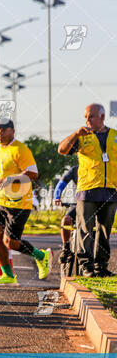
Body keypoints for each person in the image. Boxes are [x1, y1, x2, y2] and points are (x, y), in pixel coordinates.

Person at [0, 119, 52, 285]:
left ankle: (41, 256)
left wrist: (10, 178)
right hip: (0, 201)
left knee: (10, 242)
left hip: (19, 203)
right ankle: (8, 275)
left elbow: (34, 173)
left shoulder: (21, 149)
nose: (0, 133)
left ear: (12, 131)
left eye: (3, 130)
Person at [58, 103, 117, 277]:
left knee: (105, 231)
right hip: (88, 190)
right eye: (85, 117)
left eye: (90, 116)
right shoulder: (82, 137)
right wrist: (76, 133)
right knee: (86, 230)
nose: (87, 120)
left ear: (102, 117)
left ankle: (101, 267)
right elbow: (61, 149)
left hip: (110, 191)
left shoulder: (114, 136)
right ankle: (86, 266)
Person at [54, 165, 78, 266]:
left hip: (96, 204)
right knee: (66, 220)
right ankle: (66, 248)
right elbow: (61, 183)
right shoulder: (75, 170)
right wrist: (57, 197)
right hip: (78, 204)